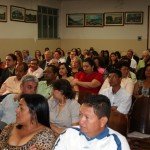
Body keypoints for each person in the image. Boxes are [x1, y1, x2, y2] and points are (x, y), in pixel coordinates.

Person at [53, 95, 130, 150]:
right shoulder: (68, 134)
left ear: (103, 121)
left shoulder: (117, 143)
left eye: (87, 117)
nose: (81, 121)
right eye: (80, 115)